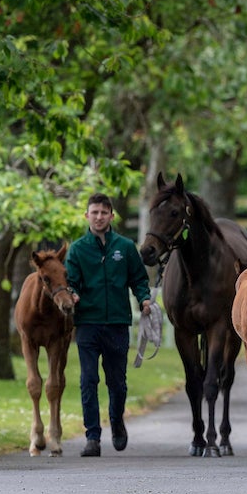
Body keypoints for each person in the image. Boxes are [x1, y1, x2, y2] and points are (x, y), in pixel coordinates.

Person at [65, 192, 154, 457]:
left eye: (104, 212)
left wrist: (144, 298)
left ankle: (117, 422)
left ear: (111, 216)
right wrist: (72, 293)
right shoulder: (77, 249)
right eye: (94, 212)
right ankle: (92, 437)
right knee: (88, 379)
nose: (99, 217)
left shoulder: (125, 247)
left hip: (117, 323)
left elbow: (139, 279)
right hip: (88, 324)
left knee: (117, 383)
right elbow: (70, 281)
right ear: (87, 216)